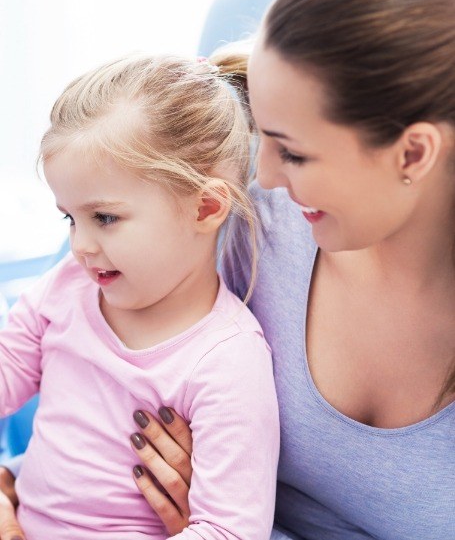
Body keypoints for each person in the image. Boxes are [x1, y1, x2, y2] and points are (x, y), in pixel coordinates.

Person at [2, 0, 455, 538]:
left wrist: (205, 515)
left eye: (292, 151)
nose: (261, 179)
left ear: (413, 152)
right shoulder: (237, 212)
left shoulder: (224, 344)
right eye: (261, 136)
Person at [0, 54, 279, 539]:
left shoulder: (227, 362)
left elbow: (229, 531)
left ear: (206, 207)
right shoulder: (69, 285)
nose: (79, 245)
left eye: (104, 218)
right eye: (70, 218)